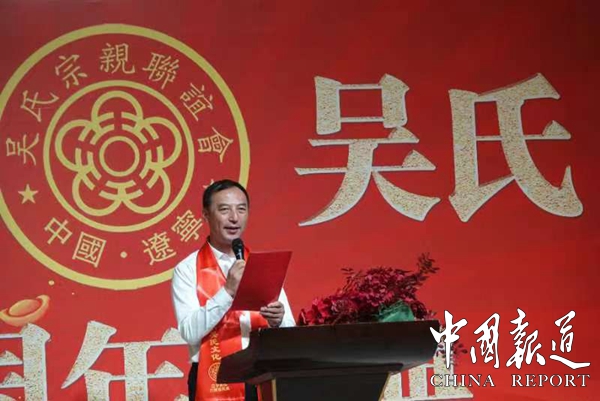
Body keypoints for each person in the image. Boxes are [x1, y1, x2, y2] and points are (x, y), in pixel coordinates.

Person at [171, 179, 295, 401]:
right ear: (206, 215)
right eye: (224, 210)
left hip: (263, 376)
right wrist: (227, 291)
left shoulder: (262, 265)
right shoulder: (187, 269)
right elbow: (189, 332)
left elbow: (289, 328)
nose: (234, 218)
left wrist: (278, 320)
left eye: (241, 209)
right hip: (213, 377)